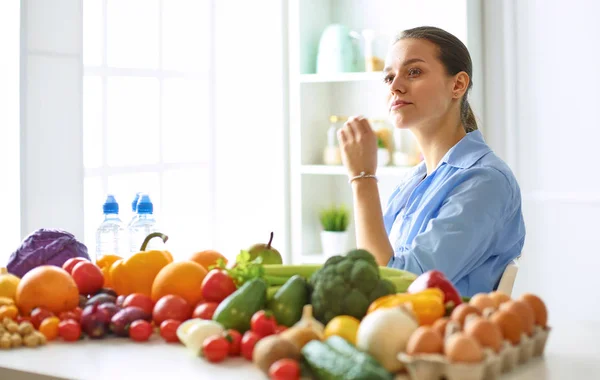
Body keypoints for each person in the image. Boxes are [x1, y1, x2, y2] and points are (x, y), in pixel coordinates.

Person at [337, 26, 525, 296]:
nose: (396, 87)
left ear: (458, 85)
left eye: (413, 72)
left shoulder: (485, 182)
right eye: (389, 78)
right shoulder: (415, 179)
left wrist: (362, 177)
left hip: (438, 333)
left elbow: (397, 286)